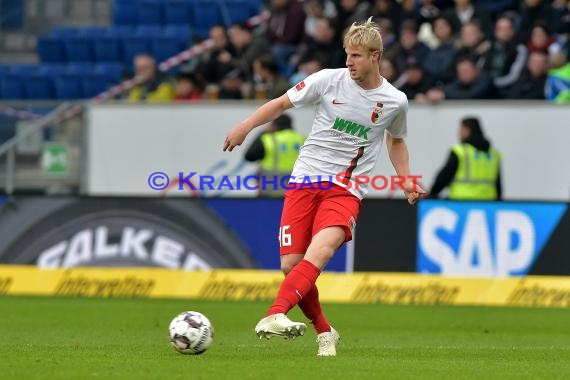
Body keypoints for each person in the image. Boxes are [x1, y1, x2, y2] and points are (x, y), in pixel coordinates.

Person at [223, 17, 425, 356]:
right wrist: (245, 126)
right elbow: (281, 104)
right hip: (304, 180)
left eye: (357, 56)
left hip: (345, 186)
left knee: (323, 249)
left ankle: (275, 314)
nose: (349, 62)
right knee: (291, 266)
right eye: (347, 54)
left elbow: (396, 140)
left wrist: (405, 177)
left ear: (375, 56)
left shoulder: (394, 101)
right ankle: (325, 331)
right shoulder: (328, 80)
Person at [429, 117, 502, 200]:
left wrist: (432, 194)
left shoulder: (460, 151)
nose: (459, 133)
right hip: (487, 204)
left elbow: (444, 176)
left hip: (462, 203)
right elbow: (498, 184)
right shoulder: (494, 154)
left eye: (461, 129)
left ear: (467, 130)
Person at [244, 114, 305, 197]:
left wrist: (264, 132)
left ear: (274, 125)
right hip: (296, 191)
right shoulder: (302, 139)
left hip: (271, 190)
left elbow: (249, 156)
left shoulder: (268, 139)